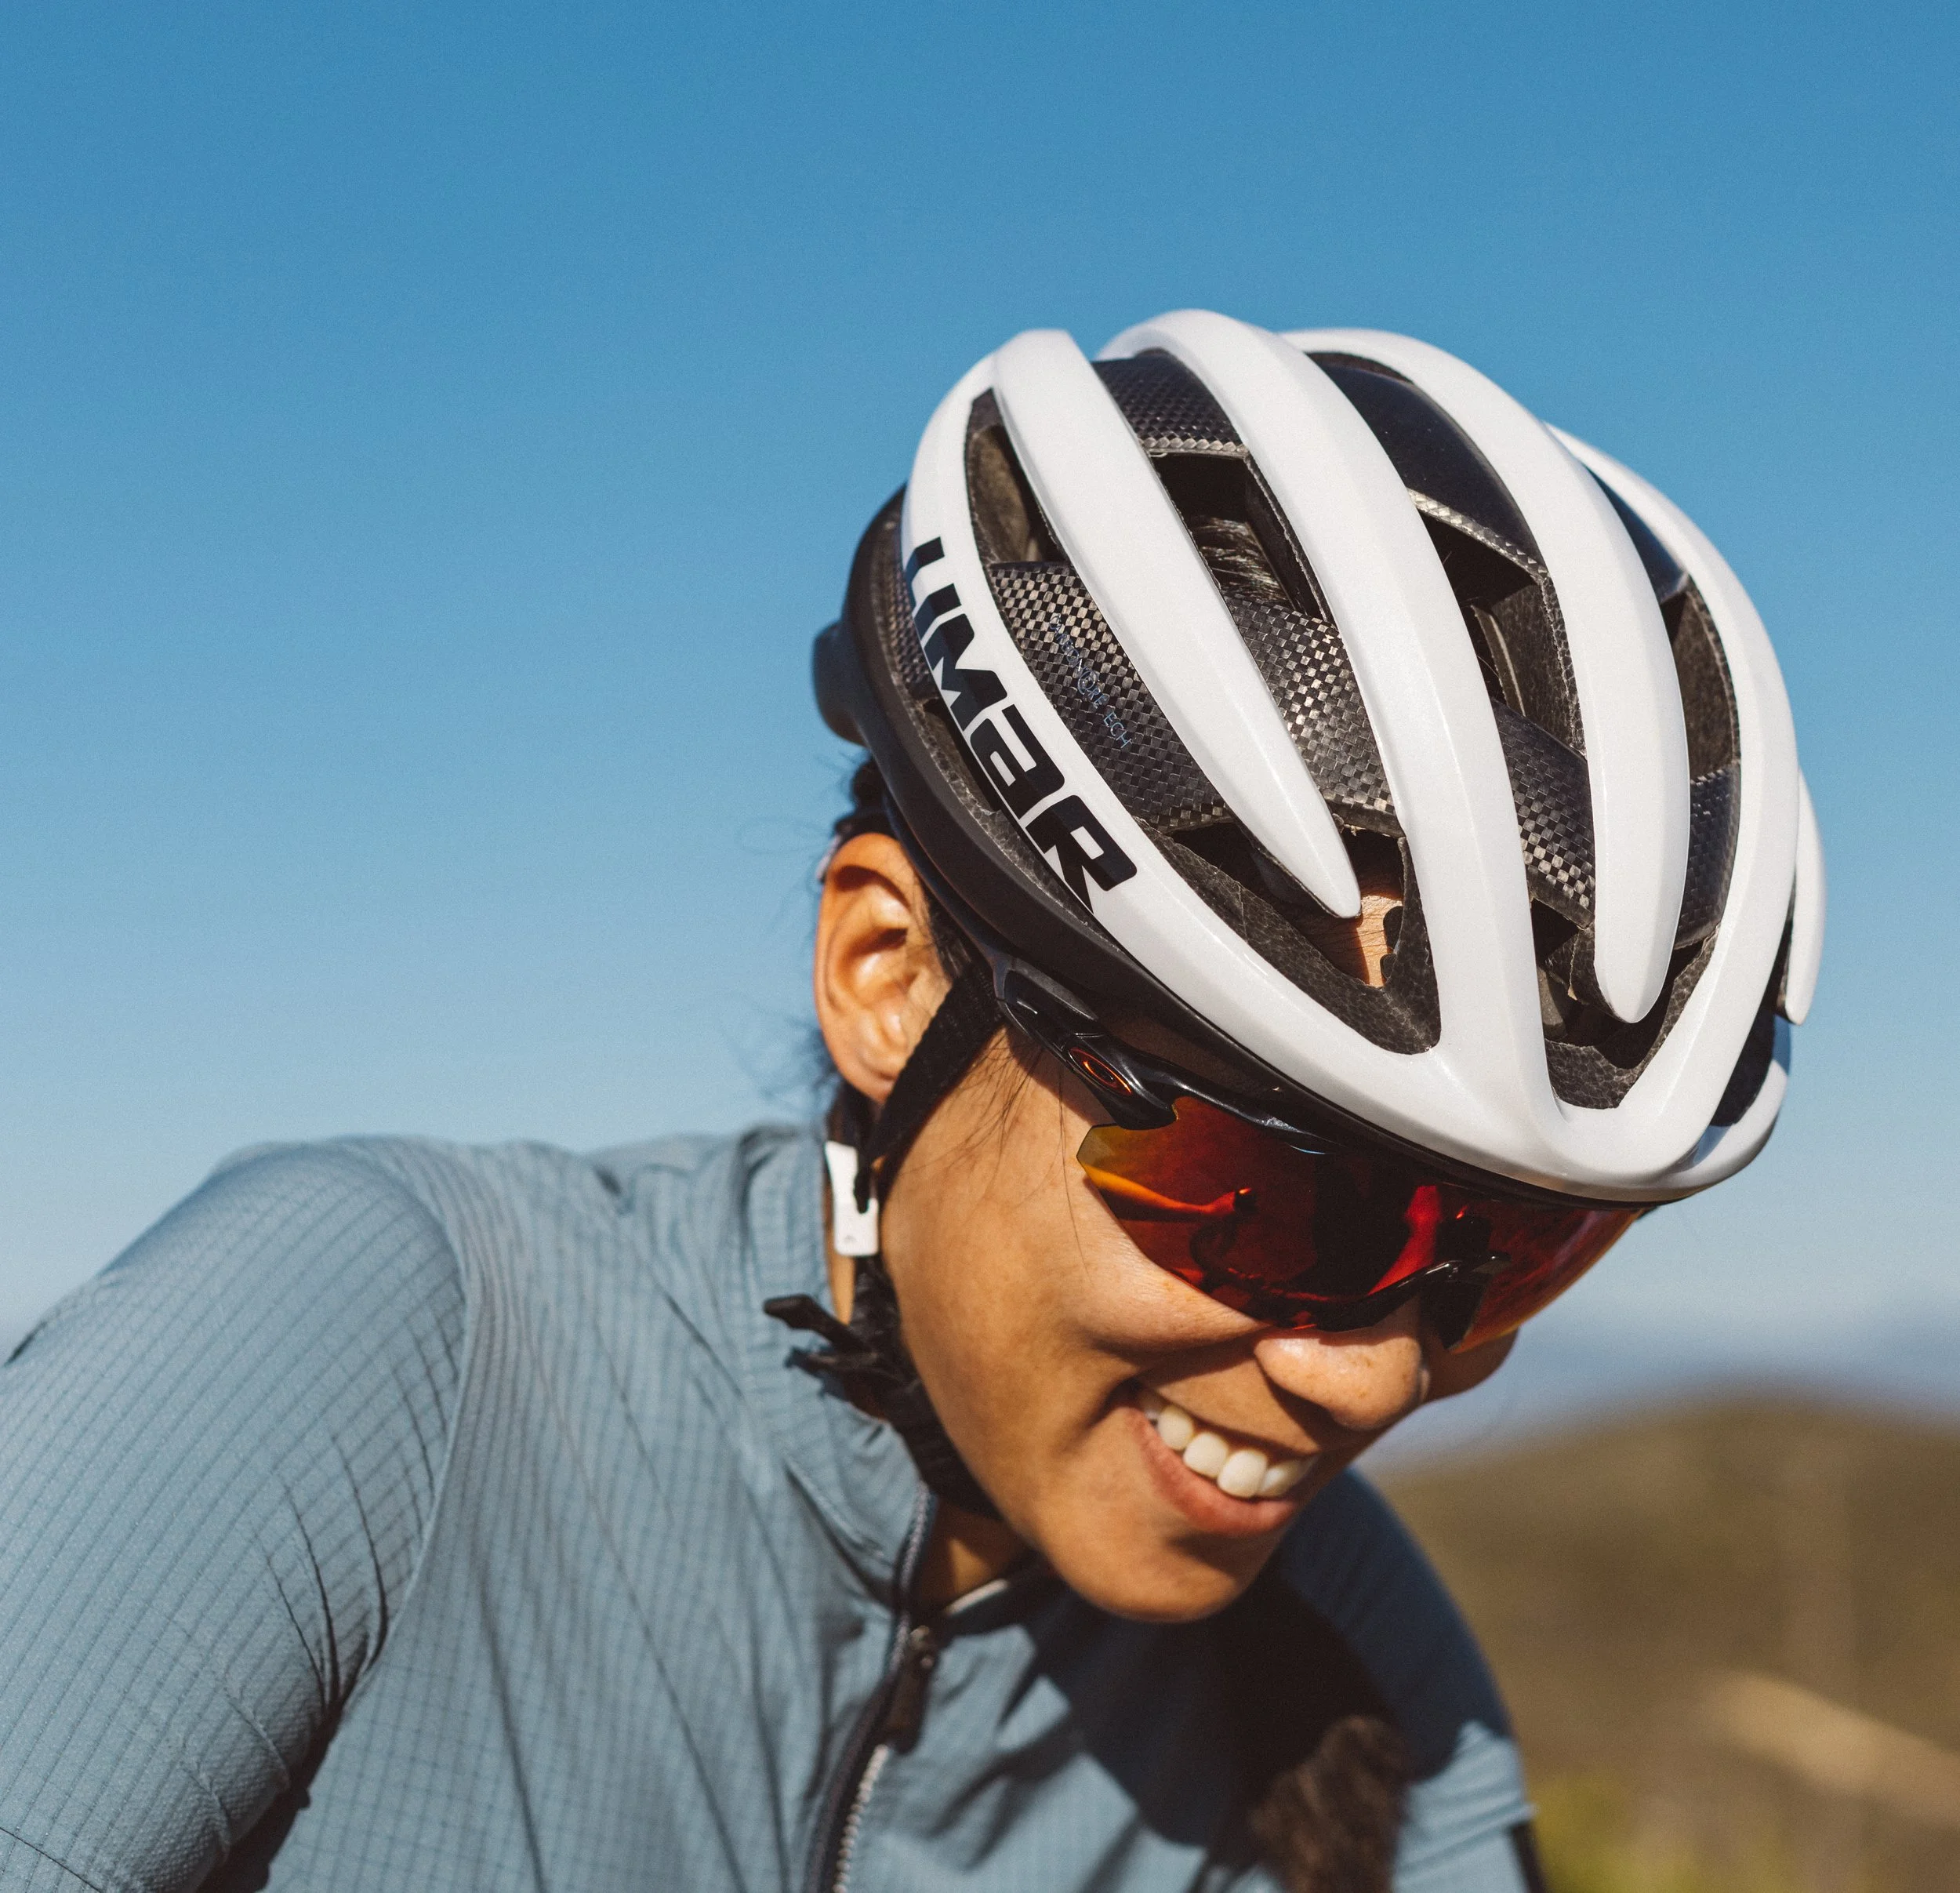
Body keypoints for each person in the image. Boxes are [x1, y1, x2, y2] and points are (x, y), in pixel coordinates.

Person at [0, 311, 1823, 1893]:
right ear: (886, 975)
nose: (1373, 1378)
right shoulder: (376, 1350)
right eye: (1264, 1194)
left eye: (1512, 1249)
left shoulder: (1360, 1672)